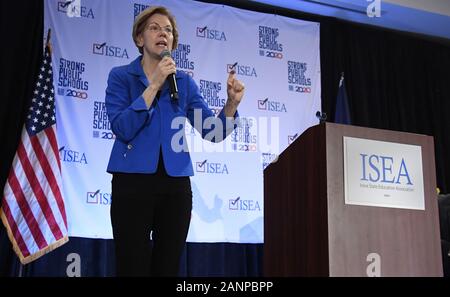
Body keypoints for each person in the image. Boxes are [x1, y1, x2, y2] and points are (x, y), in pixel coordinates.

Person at [104, 6, 244, 276]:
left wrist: (230, 105)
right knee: (131, 266)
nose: (163, 33)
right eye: (154, 28)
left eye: (168, 30)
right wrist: (153, 84)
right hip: (132, 184)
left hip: (175, 187)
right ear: (139, 39)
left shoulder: (184, 83)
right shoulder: (121, 76)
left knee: (167, 268)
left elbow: (211, 132)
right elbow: (122, 128)